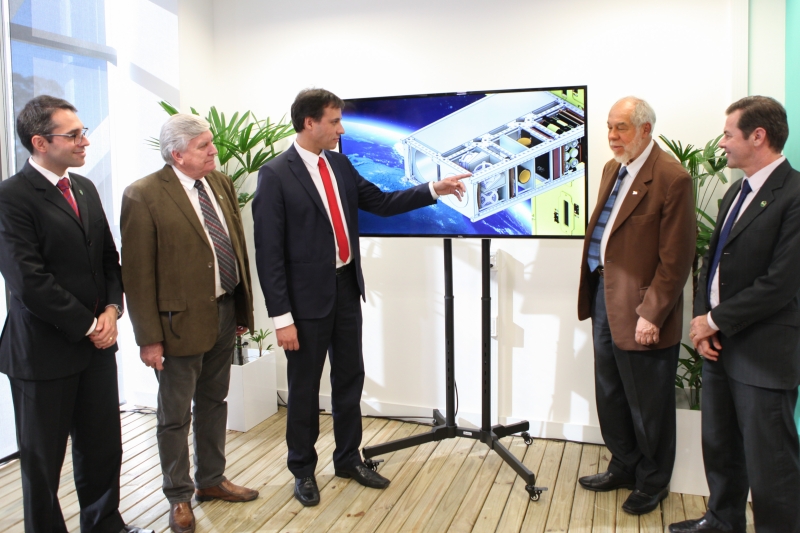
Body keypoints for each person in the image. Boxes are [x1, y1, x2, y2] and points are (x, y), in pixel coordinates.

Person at [253, 88, 468, 507]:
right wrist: (282, 319)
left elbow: (382, 203)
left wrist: (433, 188)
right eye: (334, 121)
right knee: (303, 390)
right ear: (309, 123)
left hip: (346, 289)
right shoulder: (276, 174)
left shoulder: (340, 162)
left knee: (349, 379)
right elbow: (269, 253)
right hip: (303, 304)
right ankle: (302, 469)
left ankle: (348, 458)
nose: (341, 128)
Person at [0, 96, 151, 533]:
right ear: (40, 143)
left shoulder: (82, 187)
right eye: (74, 134)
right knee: (42, 463)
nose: (85, 141)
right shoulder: (10, 197)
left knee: (102, 447)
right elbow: (30, 282)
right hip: (42, 354)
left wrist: (110, 309)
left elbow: (107, 257)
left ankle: (104, 524)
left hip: (96, 346)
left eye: (84, 132)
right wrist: (90, 325)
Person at [121, 114, 258, 533]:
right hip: (176, 325)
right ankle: (178, 497)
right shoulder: (143, 195)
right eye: (204, 146)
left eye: (211, 144)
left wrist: (239, 310)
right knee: (175, 415)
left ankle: (211, 480)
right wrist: (149, 339)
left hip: (221, 313)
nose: (214, 151)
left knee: (215, 403)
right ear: (176, 154)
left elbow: (234, 244)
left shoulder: (220, 183)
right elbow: (137, 275)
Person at [669, 97, 800, 533]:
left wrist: (714, 321)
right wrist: (703, 321)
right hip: (720, 347)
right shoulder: (734, 191)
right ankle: (723, 521)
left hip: (764, 351)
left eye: (728, 134)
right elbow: (712, 264)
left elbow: (781, 283)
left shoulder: (795, 194)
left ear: (758, 136)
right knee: (720, 447)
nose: (721, 143)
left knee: (772, 465)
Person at [576, 96, 695, 515]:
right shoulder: (614, 167)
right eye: (609, 126)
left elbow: (677, 259)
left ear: (645, 130)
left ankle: (653, 482)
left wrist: (653, 313)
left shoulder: (671, 177)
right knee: (610, 392)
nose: (611, 136)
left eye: (621, 127)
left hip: (642, 309)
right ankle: (623, 465)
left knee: (648, 402)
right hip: (606, 298)